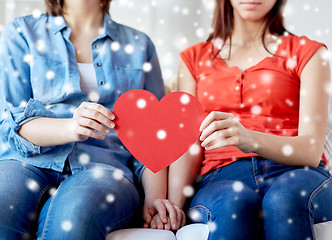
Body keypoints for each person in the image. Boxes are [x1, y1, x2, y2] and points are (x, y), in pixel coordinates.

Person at [0, 0, 184, 239]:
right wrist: (71, 127)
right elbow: (10, 122)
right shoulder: (21, 32)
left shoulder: (140, 46)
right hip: (27, 162)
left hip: (106, 169)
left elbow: (153, 137)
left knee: (73, 215)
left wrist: (155, 198)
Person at [167, 0, 332, 239]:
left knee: (283, 199)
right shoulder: (193, 59)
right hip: (220, 177)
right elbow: (189, 144)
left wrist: (248, 138)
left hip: (298, 173)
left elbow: (310, 150)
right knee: (233, 203)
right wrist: (173, 205)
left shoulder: (310, 53)